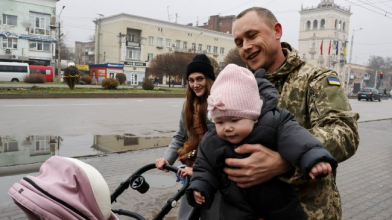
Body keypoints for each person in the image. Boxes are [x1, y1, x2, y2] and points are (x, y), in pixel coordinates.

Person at [225, 7, 360, 219]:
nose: (246, 47)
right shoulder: (242, 85)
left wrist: (285, 161)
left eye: (252, 36)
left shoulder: (316, 77)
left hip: (309, 211)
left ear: (277, 31)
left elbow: (345, 132)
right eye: (239, 42)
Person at [186, 64, 337, 220]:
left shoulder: (273, 123)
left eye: (235, 120)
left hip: (279, 204)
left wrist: (313, 156)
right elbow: (204, 167)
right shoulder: (212, 141)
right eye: (220, 122)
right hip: (235, 207)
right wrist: (200, 187)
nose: (227, 128)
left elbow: (297, 138)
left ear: (254, 116)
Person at [155, 54, 219, 220]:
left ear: (209, 79)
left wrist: (199, 172)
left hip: (213, 171)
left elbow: (219, 146)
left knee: (210, 211)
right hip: (191, 168)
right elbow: (180, 136)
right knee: (187, 213)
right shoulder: (188, 105)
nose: (195, 84)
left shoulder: (218, 104)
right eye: (191, 80)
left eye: (200, 79)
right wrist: (167, 159)